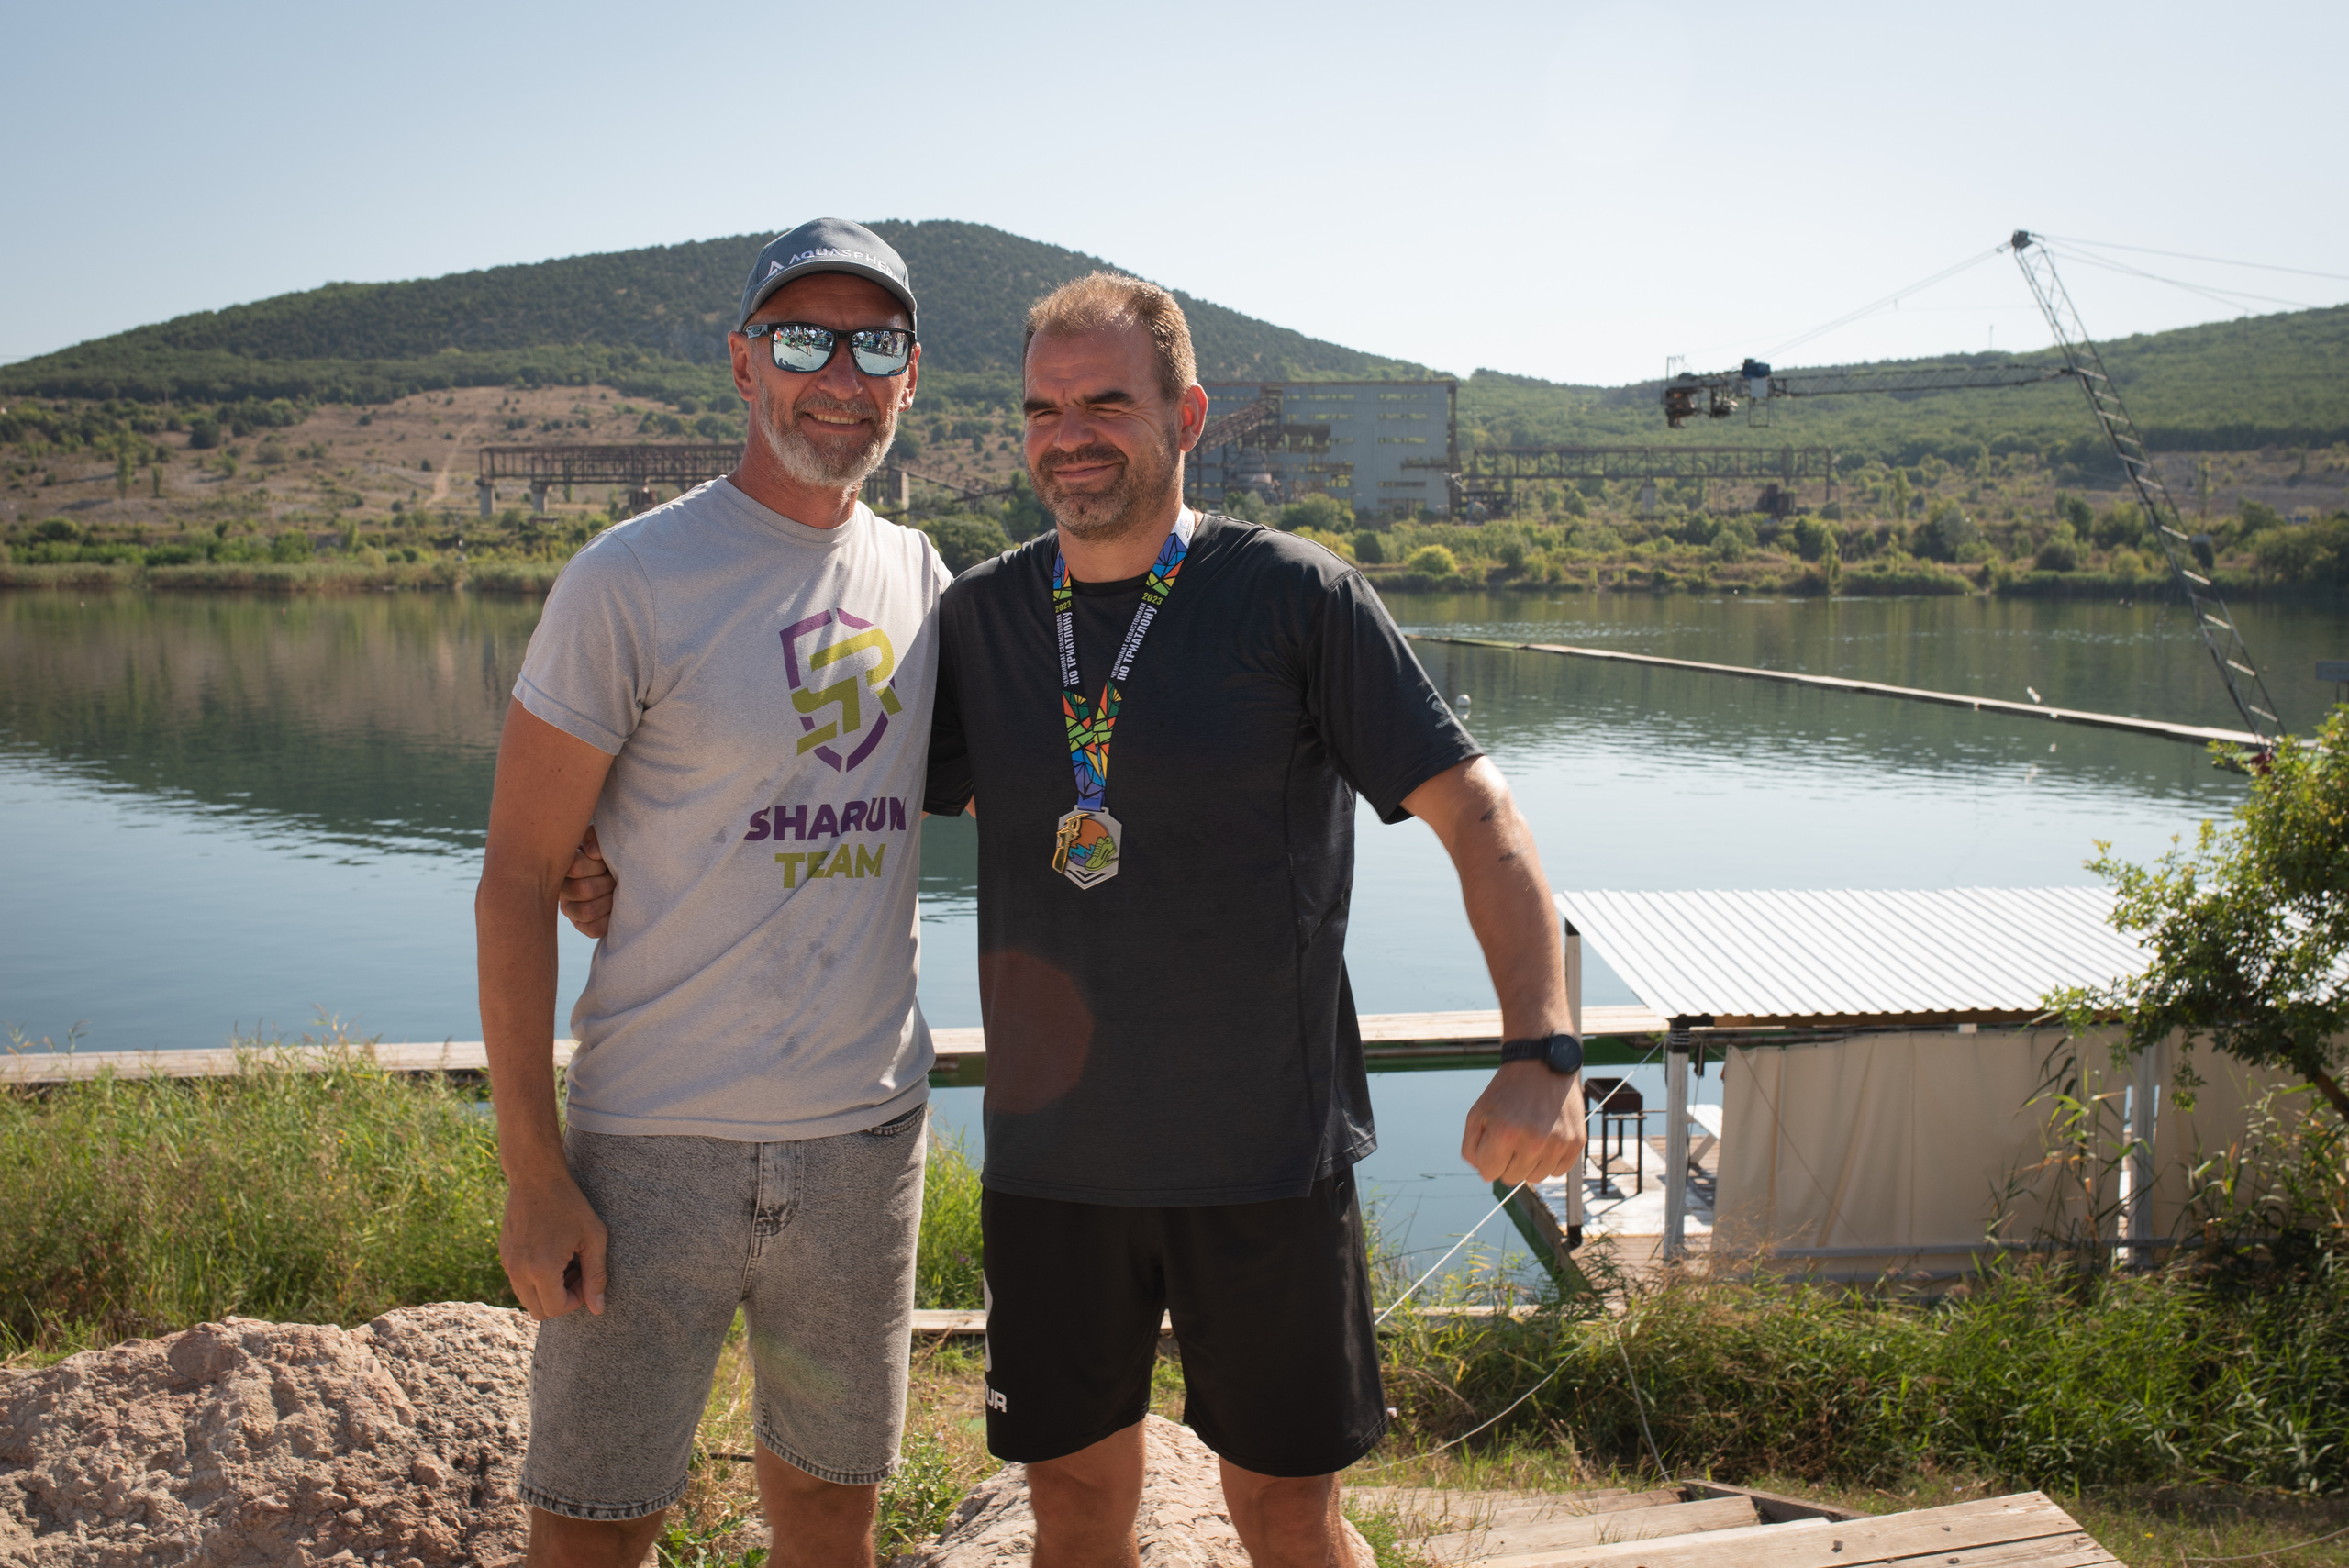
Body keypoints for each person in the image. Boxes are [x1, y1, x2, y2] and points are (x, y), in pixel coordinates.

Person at [562, 273, 1586, 1568]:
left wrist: (1541, 1046)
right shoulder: (980, 617)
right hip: (1057, 1176)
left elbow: (1479, 815)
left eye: (1108, 400)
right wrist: (602, 844)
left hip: (1265, 1168)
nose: (1072, 433)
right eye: (1045, 407)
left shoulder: (1295, 597)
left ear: (1187, 413)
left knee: (1287, 1516)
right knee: (1074, 1511)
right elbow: (810, 791)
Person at [476, 217, 949, 1568]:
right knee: (590, 1526)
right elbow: (516, 876)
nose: (838, 375)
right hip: (648, 1148)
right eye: (804, 339)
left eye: (875, 345)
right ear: (743, 363)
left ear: (911, 377)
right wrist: (532, 1172)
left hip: (866, 1145)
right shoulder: (629, 580)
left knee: (829, 1519)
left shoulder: (921, 578)